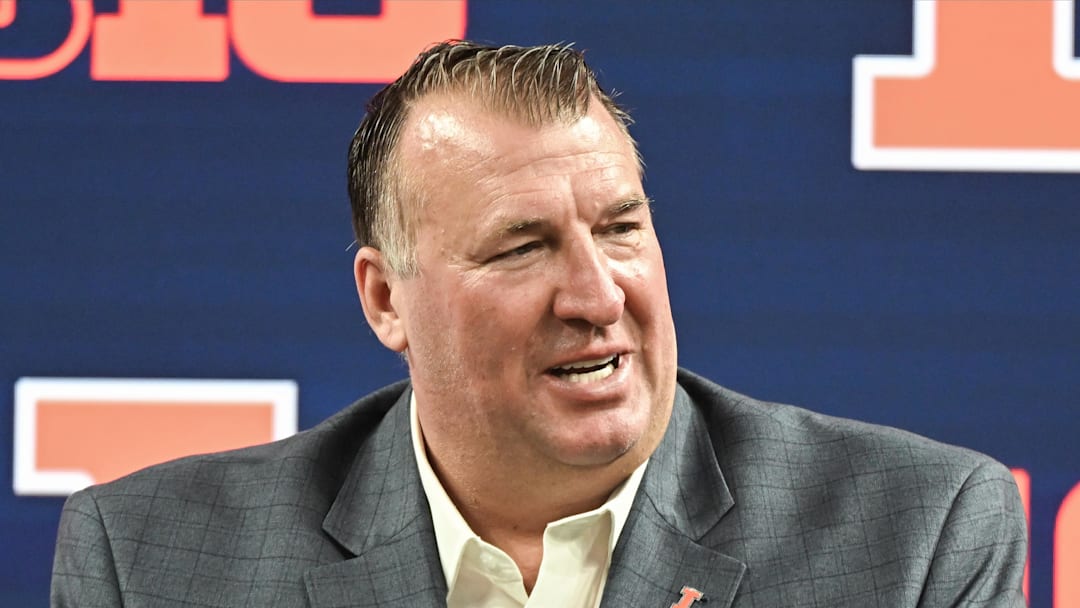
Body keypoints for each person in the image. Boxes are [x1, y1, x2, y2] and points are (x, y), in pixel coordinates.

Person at [51, 41, 1027, 608]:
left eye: (620, 228)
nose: (597, 294)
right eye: (521, 247)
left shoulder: (919, 539)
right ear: (386, 298)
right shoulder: (151, 560)